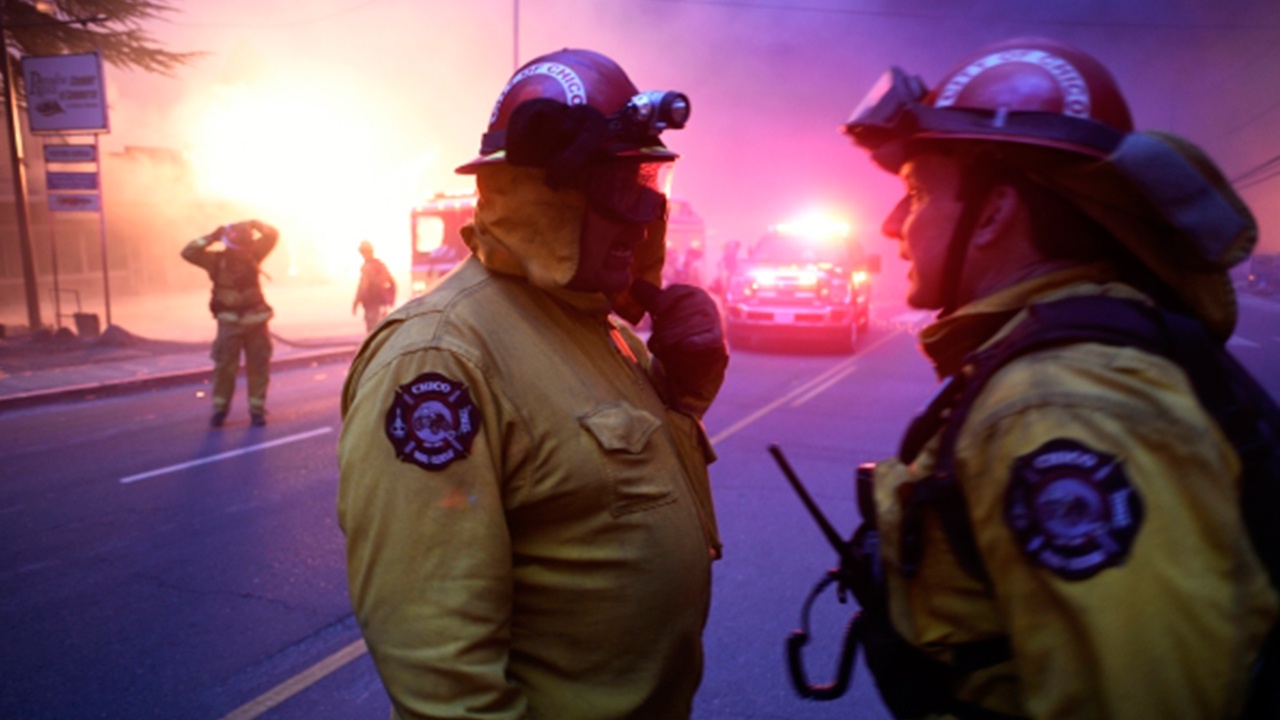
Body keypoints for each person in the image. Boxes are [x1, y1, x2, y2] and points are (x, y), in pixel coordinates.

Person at [836, 37, 1278, 718]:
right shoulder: (1075, 359)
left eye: (919, 192)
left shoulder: (1063, 404)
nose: (894, 226)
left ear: (993, 213)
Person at [336, 48, 728, 720]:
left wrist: (681, 395)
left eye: (649, 185)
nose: (642, 216)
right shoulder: (438, 360)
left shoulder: (600, 328)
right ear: (541, 197)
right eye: (618, 187)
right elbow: (444, 678)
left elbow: (600, 498)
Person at [181, 219, 278, 427]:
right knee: (225, 368)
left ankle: (257, 409)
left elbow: (272, 235)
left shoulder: (254, 254)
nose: (246, 245)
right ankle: (220, 409)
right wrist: (210, 237)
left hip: (256, 321)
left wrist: (256, 224)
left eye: (248, 239)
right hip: (229, 322)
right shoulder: (216, 261)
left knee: (258, 366)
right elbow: (187, 252)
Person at [352, 239, 396, 333]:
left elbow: (363, 287)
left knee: (372, 331)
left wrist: (356, 303)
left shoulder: (367, 267)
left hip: (371, 304)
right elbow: (392, 283)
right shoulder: (380, 265)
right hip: (381, 303)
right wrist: (390, 299)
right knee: (381, 331)